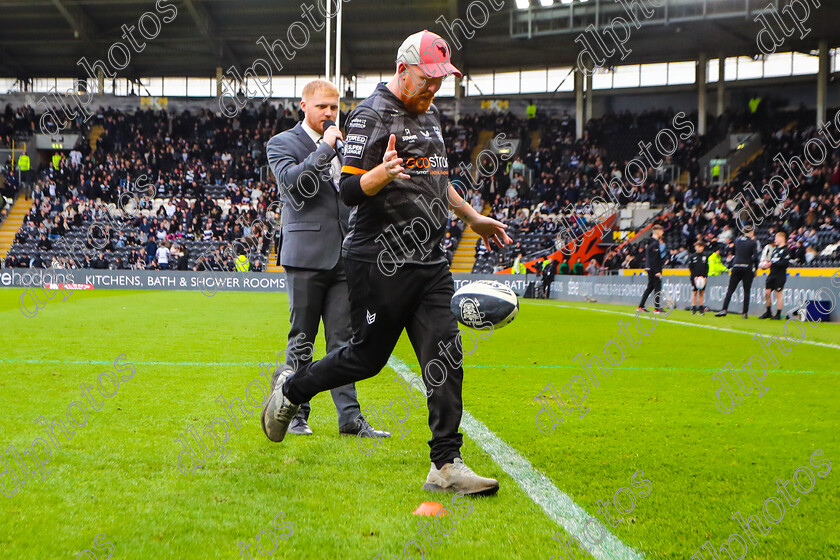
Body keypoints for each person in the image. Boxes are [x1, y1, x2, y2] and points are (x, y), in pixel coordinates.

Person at [262, 30, 511, 495]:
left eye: (441, 80)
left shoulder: (431, 115)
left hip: (430, 260)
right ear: (403, 70)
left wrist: (473, 217)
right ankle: (292, 391)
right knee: (365, 357)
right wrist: (380, 174)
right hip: (380, 259)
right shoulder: (370, 116)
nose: (435, 88)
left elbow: (439, 179)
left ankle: (445, 464)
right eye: (427, 79)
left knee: (445, 353)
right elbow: (349, 190)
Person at [265, 79, 387, 439]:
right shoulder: (281, 143)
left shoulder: (350, 146)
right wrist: (324, 149)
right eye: (322, 107)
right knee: (302, 338)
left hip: (344, 257)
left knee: (343, 342)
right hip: (304, 256)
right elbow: (293, 185)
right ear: (303, 105)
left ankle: (350, 418)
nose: (330, 113)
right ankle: (297, 413)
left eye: (334, 107)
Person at [716, 229, 759, 319]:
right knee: (746, 291)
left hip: (736, 266)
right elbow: (755, 257)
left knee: (730, 289)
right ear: (751, 233)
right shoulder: (752, 242)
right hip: (747, 266)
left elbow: (733, 253)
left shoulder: (737, 241)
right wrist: (755, 268)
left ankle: (724, 309)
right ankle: (745, 313)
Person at [759, 231, 791, 320]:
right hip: (771, 274)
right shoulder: (775, 250)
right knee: (767, 293)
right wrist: (766, 266)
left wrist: (772, 263)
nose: (775, 240)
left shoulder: (786, 250)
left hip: (780, 275)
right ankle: (768, 312)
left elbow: (785, 263)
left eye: (777, 238)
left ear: (782, 238)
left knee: (778, 294)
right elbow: (771, 262)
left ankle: (778, 314)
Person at [638, 225, 665, 313]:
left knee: (650, 287)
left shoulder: (650, 242)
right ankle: (657, 308)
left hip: (649, 267)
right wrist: (657, 271)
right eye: (661, 231)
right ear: (657, 232)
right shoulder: (655, 243)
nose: (663, 233)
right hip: (654, 268)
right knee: (657, 287)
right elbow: (654, 258)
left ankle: (641, 306)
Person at [687, 241, 708, 315]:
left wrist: (705, 276)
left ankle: (701, 308)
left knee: (701, 293)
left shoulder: (705, 256)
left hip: (702, 277)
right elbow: (691, 268)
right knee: (694, 292)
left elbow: (706, 267)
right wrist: (694, 276)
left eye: (701, 247)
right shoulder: (692, 256)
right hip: (694, 277)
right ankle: (694, 308)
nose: (700, 248)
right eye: (698, 246)